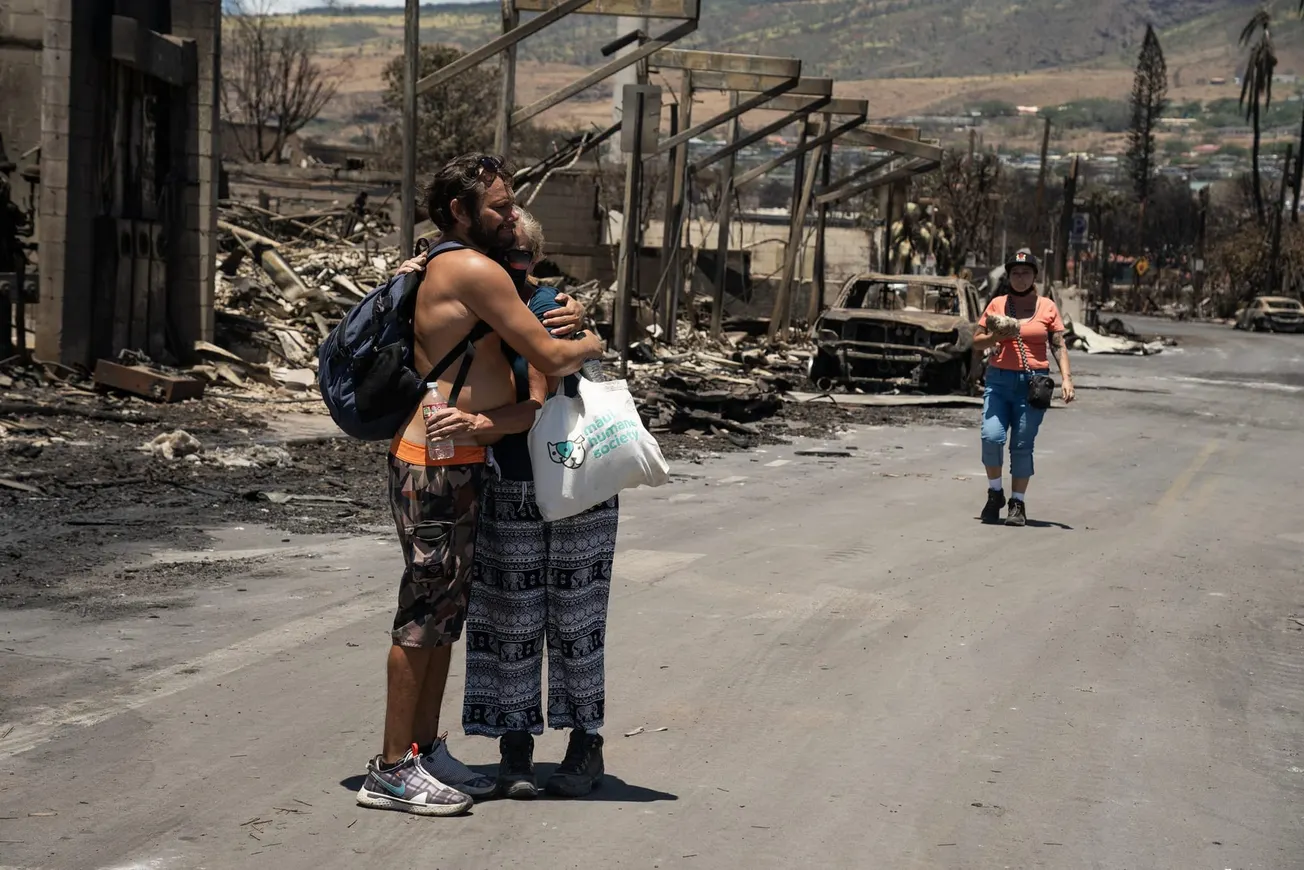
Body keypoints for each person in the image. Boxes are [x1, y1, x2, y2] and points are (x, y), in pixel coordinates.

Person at [356, 154, 603, 817]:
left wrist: (568, 313)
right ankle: (391, 768)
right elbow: (550, 355)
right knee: (422, 615)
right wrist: (593, 339)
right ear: (459, 212)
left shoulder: (454, 263)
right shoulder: (470, 268)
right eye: (497, 206)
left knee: (442, 617)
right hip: (434, 462)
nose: (511, 214)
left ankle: (423, 750)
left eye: (512, 202)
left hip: (459, 459)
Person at [461, 209, 618, 800]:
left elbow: (571, 372)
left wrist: (587, 331)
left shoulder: (554, 305)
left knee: (577, 620)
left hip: (578, 484)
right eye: (503, 250)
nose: (512, 261)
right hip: (506, 481)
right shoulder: (468, 303)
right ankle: (515, 746)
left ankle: (585, 741)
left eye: (522, 252)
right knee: (509, 619)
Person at [970, 249, 1075, 527]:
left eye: (1025, 272)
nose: (1020, 277)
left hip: (1032, 384)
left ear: (1034, 276)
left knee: (1021, 444)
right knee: (991, 437)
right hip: (999, 381)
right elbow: (977, 341)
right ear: (1008, 275)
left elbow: (1058, 345)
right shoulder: (997, 305)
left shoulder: (1047, 307)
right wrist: (996, 336)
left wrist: (1066, 378)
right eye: (1015, 273)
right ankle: (995, 494)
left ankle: (1018, 503)